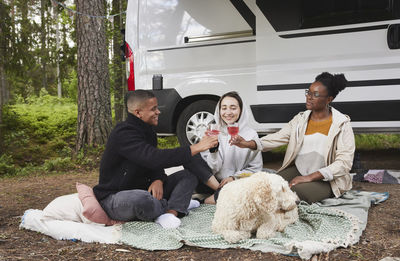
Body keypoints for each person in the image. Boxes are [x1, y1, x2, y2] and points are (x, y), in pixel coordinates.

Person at [93, 90, 218, 229]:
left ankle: (171, 212)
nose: (158, 112)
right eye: (153, 109)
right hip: (116, 197)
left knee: (188, 176)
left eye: (157, 107)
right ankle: (177, 204)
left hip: (147, 190)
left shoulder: (149, 131)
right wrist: (196, 147)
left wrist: (158, 179)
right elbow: (152, 157)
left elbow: (153, 162)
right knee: (142, 201)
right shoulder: (123, 133)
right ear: (138, 112)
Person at [231, 72, 355, 203]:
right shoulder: (300, 119)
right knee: (269, 186)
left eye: (316, 94)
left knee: (292, 193)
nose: (309, 97)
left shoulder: (342, 124)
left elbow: (344, 163)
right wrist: (246, 143)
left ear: (329, 99)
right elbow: (277, 138)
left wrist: (310, 177)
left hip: (327, 179)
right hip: (299, 169)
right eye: (309, 92)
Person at [195, 91, 263, 204]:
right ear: (219, 110)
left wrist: (233, 178)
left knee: (256, 184)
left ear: (241, 110)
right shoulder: (214, 132)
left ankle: (205, 201)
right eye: (224, 108)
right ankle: (221, 193)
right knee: (190, 155)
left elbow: (255, 168)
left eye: (233, 108)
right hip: (212, 183)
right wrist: (213, 150)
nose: (228, 112)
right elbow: (212, 168)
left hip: (237, 183)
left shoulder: (251, 135)